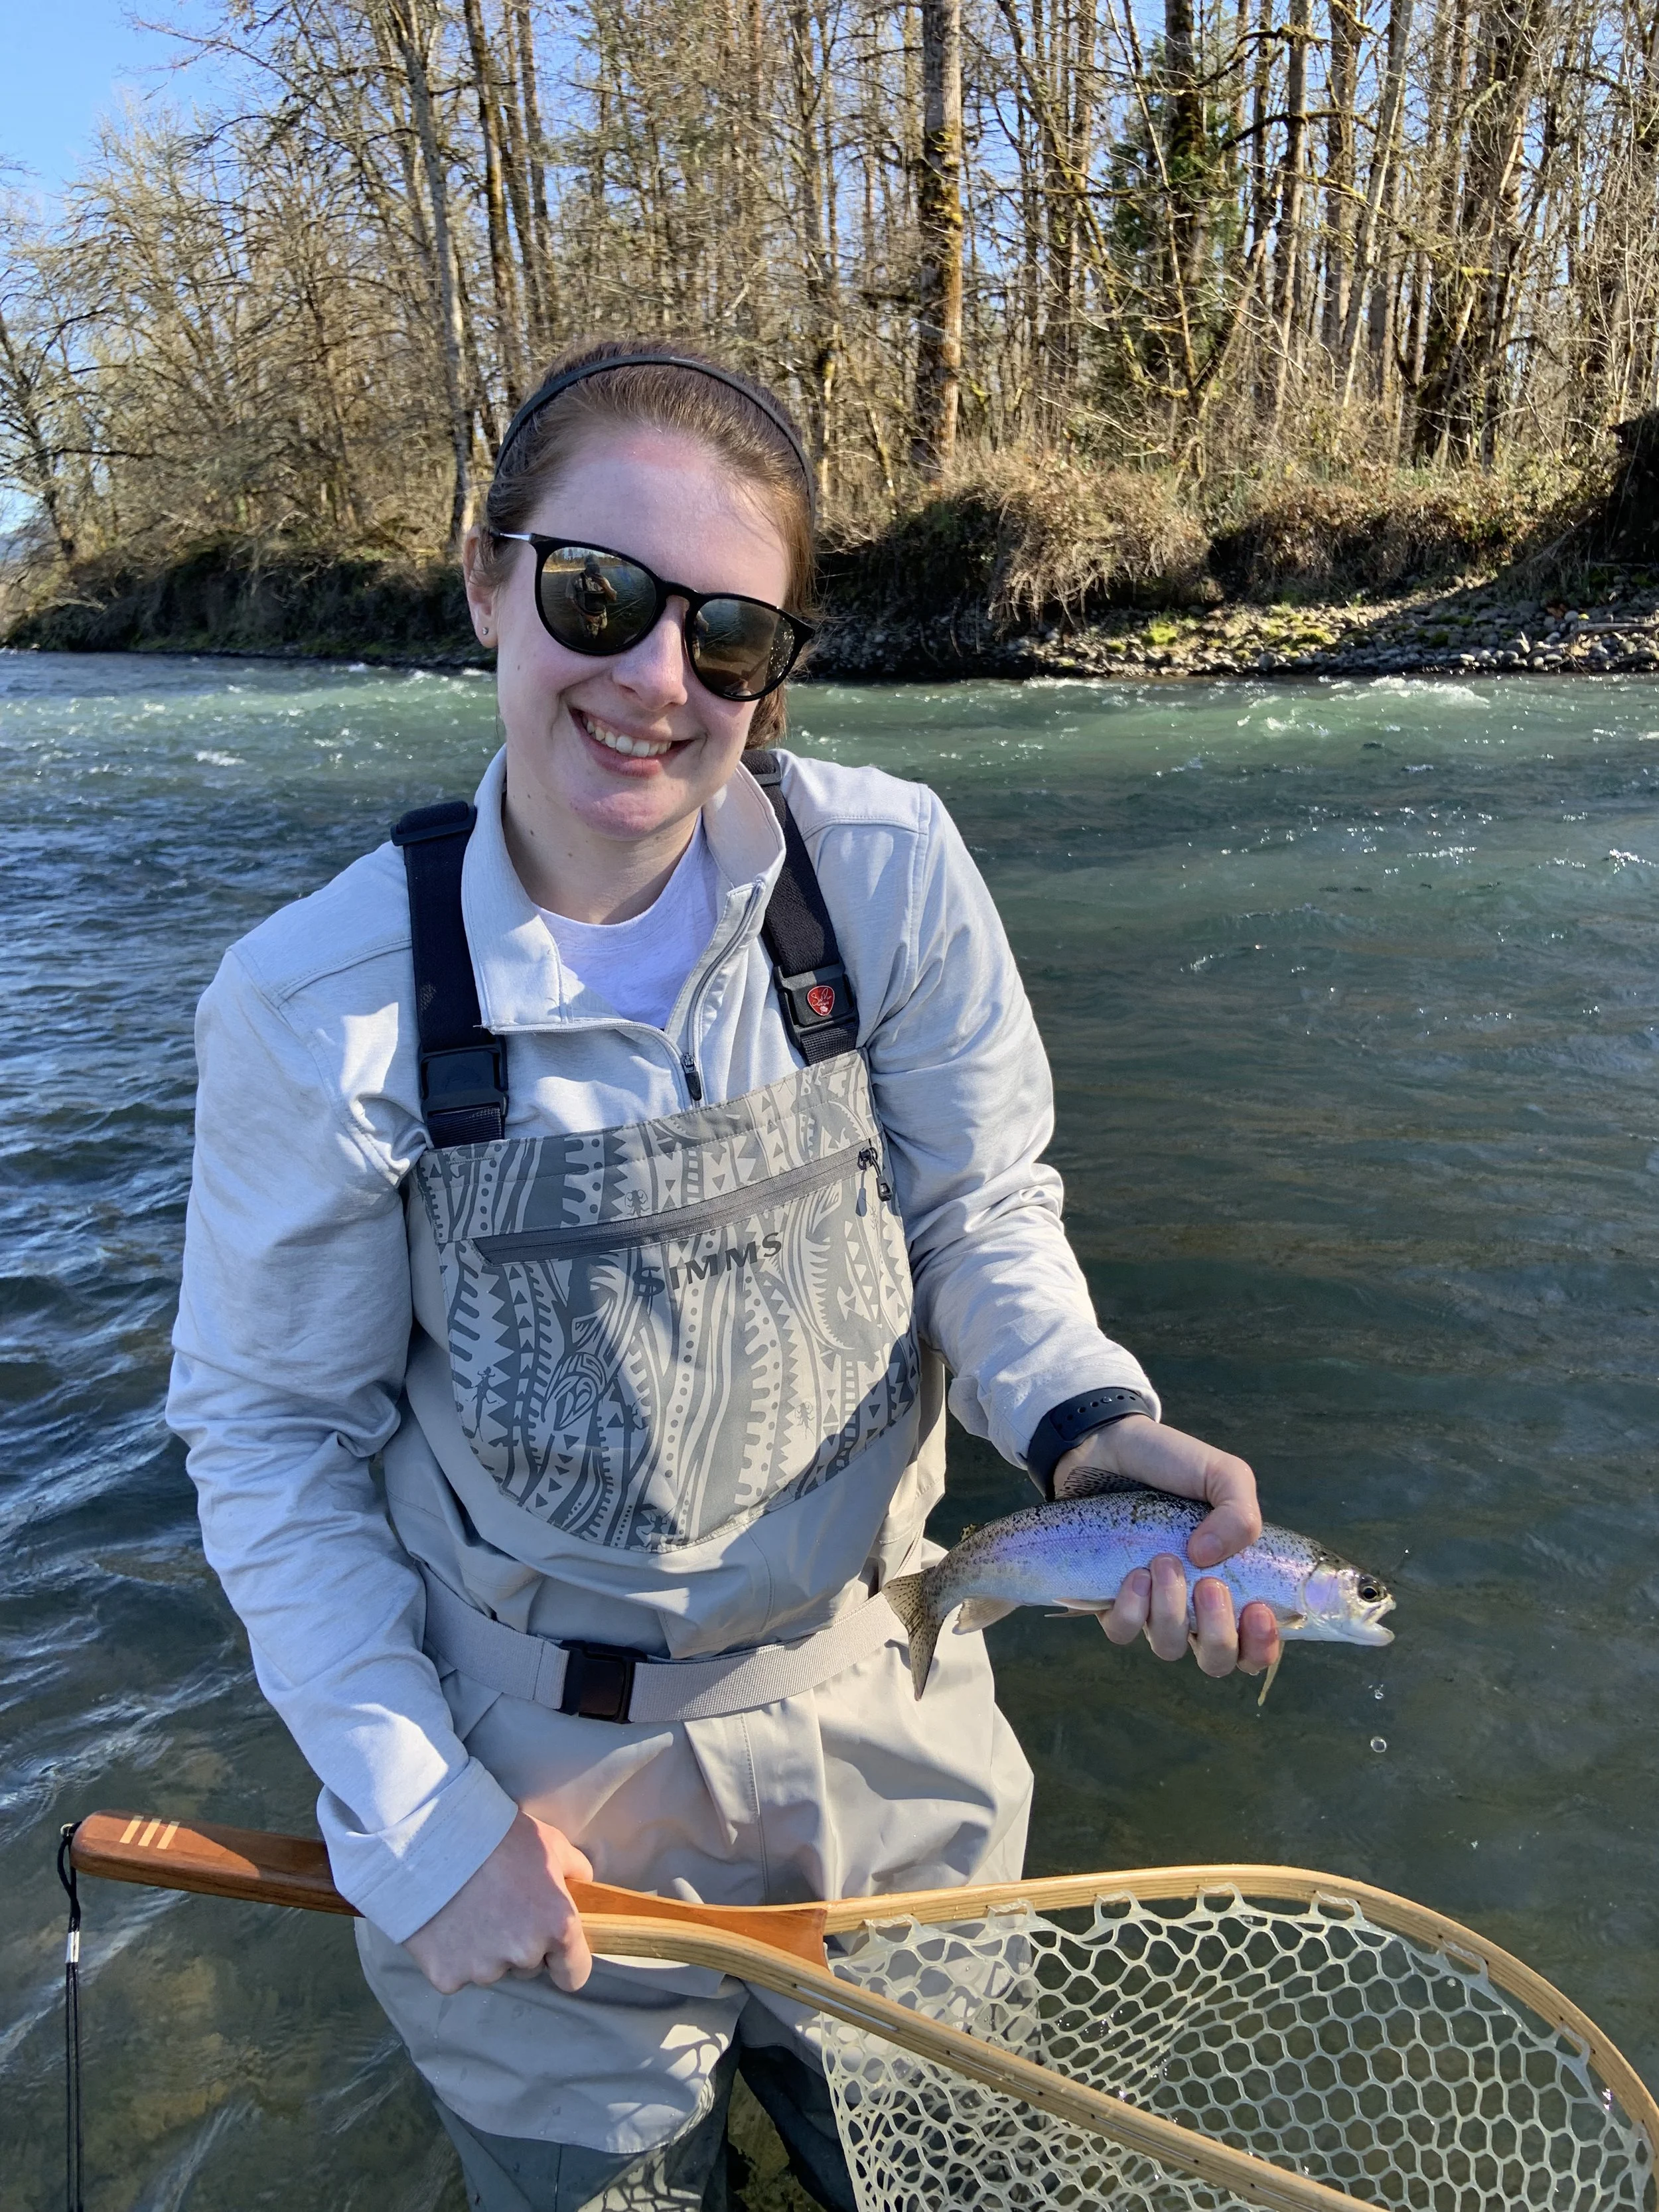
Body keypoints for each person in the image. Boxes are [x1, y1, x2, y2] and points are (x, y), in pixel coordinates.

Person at [168, 337, 1279, 2212]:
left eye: (732, 636)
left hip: (895, 1704)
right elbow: (272, 1440)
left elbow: (980, 1212)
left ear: (775, 672)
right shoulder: (316, 1007)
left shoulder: (888, 875)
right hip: (534, 1786)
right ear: (487, 579)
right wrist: (423, 1825)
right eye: (598, 596)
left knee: (944, 2173)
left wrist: (1087, 1425)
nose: (656, 681)